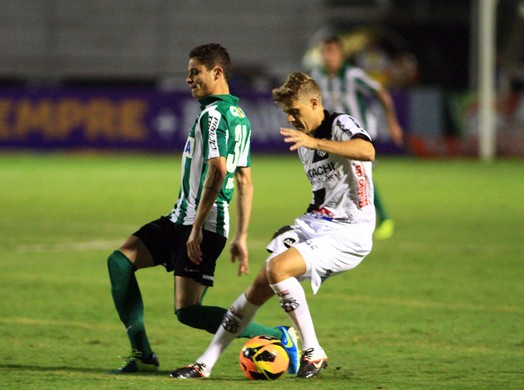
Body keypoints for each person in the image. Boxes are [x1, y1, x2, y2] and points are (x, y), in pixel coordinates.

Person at [106, 43, 299, 374]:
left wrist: (196, 229)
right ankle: (142, 354)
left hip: (201, 223)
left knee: (189, 311)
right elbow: (246, 182)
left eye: (195, 72)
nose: (188, 79)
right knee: (120, 261)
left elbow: (219, 170)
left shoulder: (213, 116)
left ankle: (278, 335)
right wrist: (240, 236)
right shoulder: (239, 117)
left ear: (217, 72)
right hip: (182, 217)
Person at [170, 72, 375, 380]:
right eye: (287, 113)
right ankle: (204, 365)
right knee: (261, 284)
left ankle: (313, 350)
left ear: (315, 103)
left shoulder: (339, 124)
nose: (292, 118)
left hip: (350, 231)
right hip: (316, 223)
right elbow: (324, 193)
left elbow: (367, 151)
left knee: (278, 270)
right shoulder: (303, 143)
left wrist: (315, 141)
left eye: (296, 111)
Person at [311, 35, 402, 240]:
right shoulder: (317, 75)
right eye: (325, 52)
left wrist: (393, 123)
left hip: (358, 133)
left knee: (358, 172)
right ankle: (346, 217)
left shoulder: (353, 76)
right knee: (339, 176)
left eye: (332, 51)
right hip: (336, 135)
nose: (327, 56)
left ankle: (383, 218)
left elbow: (381, 93)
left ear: (341, 55)